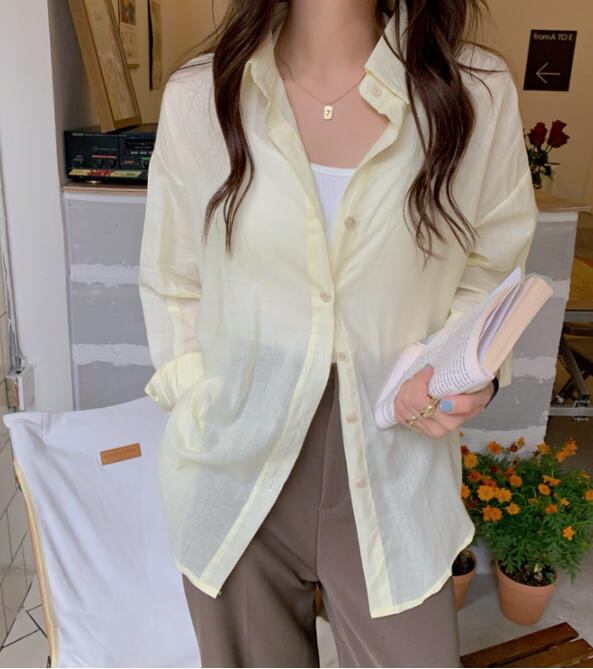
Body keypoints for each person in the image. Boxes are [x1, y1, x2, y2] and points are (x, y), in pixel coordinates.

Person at [138, 0, 538, 666]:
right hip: (236, 465)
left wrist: (464, 372)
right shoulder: (201, 96)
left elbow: (491, 271)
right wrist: (201, 402)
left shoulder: (473, 93)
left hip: (395, 459)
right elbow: (173, 279)